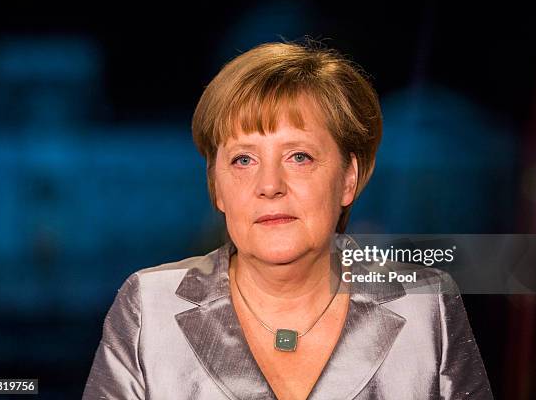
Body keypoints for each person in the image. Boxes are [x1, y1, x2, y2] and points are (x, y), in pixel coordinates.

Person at [82, 40, 493, 399]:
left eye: (299, 157)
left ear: (348, 178)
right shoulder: (149, 306)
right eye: (244, 159)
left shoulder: (428, 303)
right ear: (217, 188)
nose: (270, 185)